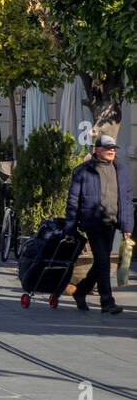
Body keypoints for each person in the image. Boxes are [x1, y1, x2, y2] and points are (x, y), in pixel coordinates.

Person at [66, 134, 134, 314]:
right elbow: (73, 200)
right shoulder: (83, 171)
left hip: (111, 223)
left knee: (100, 262)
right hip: (92, 222)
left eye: (113, 148)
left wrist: (127, 227)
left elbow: (126, 201)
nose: (112, 150)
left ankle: (80, 291)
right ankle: (107, 302)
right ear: (96, 150)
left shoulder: (121, 170)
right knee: (103, 261)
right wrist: (70, 226)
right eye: (107, 147)